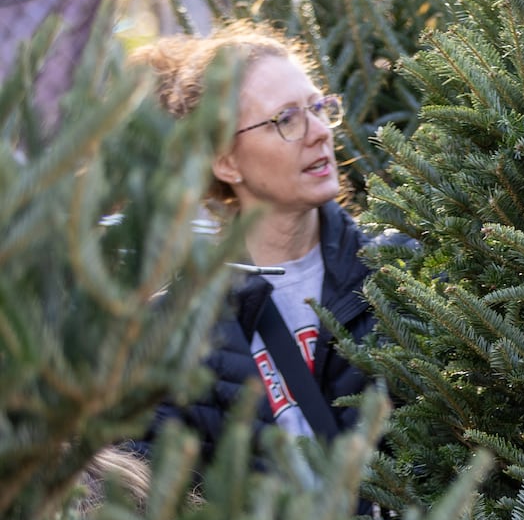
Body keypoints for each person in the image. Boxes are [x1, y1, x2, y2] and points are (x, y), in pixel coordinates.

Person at [133, 23, 380, 463]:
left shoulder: (399, 275)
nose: (320, 132)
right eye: (286, 119)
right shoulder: (172, 332)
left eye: (319, 107)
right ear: (226, 162)